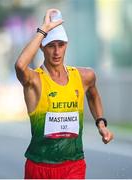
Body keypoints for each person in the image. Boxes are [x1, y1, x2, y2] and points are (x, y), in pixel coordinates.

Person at [15, 8, 114, 179]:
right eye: (51, 46)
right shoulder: (35, 81)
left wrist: (101, 123)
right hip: (40, 166)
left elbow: (93, 94)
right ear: (42, 47)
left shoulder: (84, 76)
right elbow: (20, 66)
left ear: (66, 45)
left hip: (73, 165)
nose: (57, 52)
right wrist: (43, 30)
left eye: (61, 45)